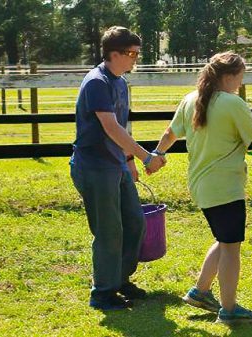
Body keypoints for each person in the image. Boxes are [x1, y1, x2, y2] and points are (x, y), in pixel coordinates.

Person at [152, 52, 252, 325]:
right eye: (240, 76)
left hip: (201, 186)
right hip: (224, 187)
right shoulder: (233, 103)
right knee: (231, 247)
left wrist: (156, 155)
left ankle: (200, 292)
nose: (241, 82)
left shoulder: (190, 99)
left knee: (224, 239)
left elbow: (169, 133)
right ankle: (229, 310)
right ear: (229, 76)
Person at [70, 26, 164, 311]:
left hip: (116, 165)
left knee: (134, 223)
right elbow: (110, 127)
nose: (136, 58)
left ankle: (119, 280)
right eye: (132, 53)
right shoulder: (97, 82)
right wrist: (146, 157)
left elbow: (121, 128)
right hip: (94, 167)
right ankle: (102, 294)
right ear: (114, 53)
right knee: (109, 231)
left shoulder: (120, 82)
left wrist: (129, 160)